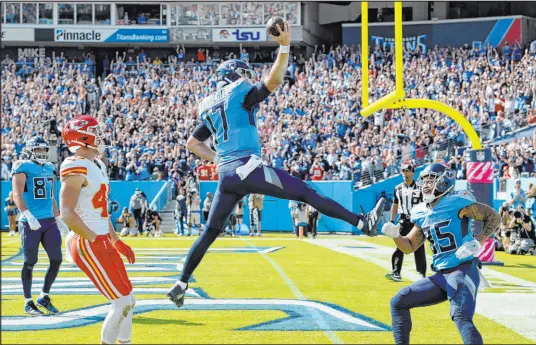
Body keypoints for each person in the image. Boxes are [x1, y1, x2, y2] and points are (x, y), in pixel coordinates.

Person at [167, 19, 385, 308]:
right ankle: (362, 222)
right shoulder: (238, 90)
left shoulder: (207, 103)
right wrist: (284, 48)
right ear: (235, 75)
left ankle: (181, 282)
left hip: (226, 175)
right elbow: (272, 82)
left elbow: (192, 143)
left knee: (210, 232)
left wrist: (217, 157)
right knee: (306, 192)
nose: (247, 76)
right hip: (247, 168)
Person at [382, 163, 501, 345]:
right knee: (398, 301)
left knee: (460, 315)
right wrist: (396, 235)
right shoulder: (421, 211)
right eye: (424, 181)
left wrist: (477, 241)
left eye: (431, 180)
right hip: (441, 276)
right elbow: (409, 246)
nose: (426, 185)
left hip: (463, 270)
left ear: (444, 182)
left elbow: (493, 217)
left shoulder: (457, 202)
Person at [60, 115, 136, 345]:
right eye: (95, 132)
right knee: (122, 302)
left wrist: (115, 240)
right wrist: (94, 239)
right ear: (83, 138)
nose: (100, 136)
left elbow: (101, 212)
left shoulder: (98, 165)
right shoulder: (75, 165)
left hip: (99, 237)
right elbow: (67, 213)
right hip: (86, 241)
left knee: (129, 299)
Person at [11, 136, 69, 315]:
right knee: (30, 262)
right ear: (30, 150)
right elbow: (16, 194)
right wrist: (27, 215)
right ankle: (28, 302)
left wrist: (58, 219)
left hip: (49, 220)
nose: (42, 153)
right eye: (38, 150)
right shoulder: (22, 167)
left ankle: (44, 296)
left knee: (57, 259)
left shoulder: (50, 168)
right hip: (30, 222)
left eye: (44, 150)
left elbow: (50, 196)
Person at [385, 163, 426, 282]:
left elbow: (425, 204)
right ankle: (396, 273)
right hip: (402, 220)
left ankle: (421, 273)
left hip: (416, 220)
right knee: (399, 245)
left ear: (413, 173)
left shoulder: (420, 187)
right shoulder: (398, 188)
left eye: (407, 171)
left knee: (419, 247)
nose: (405, 173)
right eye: (403, 171)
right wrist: (392, 221)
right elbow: (395, 204)